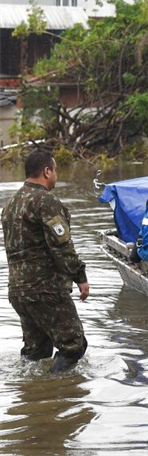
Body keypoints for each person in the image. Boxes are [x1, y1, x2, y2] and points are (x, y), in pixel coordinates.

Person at [1, 150, 89, 372]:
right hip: (46, 289)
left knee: (37, 351)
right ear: (47, 171)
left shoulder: (11, 204)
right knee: (74, 346)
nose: (56, 175)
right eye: (55, 170)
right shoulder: (45, 200)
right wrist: (80, 276)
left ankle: (30, 390)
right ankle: (57, 390)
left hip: (19, 291)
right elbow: (62, 246)